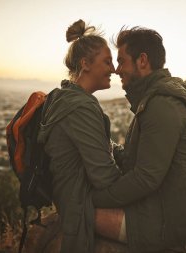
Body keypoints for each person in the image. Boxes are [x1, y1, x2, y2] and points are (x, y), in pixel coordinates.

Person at [92, 27, 186, 252]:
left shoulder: (161, 104)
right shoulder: (153, 100)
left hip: (184, 221)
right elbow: (137, 161)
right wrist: (107, 146)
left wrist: (94, 198)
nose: (117, 69)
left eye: (121, 61)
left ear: (142, 60)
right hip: (176, 207)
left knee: (84, 213)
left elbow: (145, 178)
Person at [36, 19, 122, 253]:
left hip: (69, 194)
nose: (113, 69)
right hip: (78, 202)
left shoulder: (63, 96)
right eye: (107, 61)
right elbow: (105, 177)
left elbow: (92, 145)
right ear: (85, 64)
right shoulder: (80, 106)